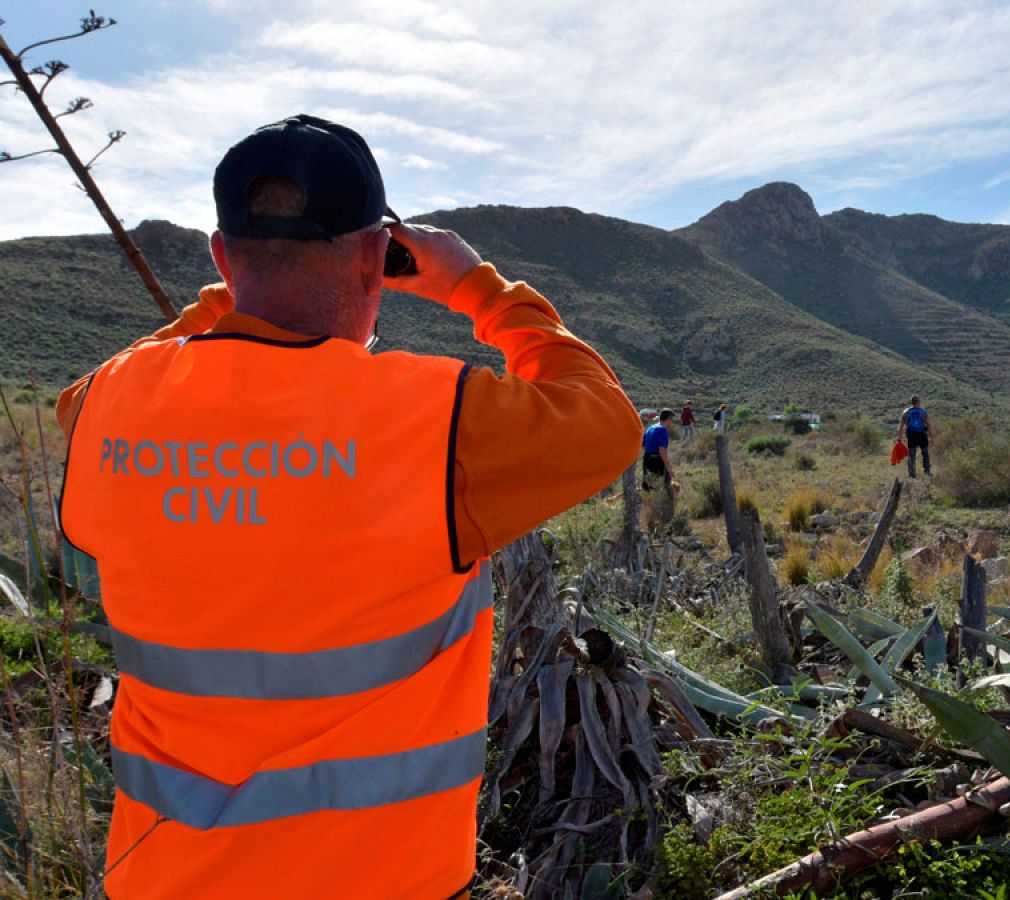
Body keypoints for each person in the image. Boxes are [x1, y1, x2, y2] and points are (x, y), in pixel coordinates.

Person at [54, 114, 640, 898]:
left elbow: (86, 395)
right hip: (382, 879)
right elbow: (605, 422)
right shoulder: (433, 421)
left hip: (163, 875)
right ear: (376, 258)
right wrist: (478, 288)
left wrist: (228, 301)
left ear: (224, 257)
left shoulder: (108, 407)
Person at [898, 395, 933, 478]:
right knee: (925, 454)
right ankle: (927, 472)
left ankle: (912, 475)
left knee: (911, 455)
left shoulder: (906, 412)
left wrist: (899, 438)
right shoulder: (923, 412)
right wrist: (931, 437)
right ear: (918, 402)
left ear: (912, 403)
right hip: (922, 436)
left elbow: (901, 426)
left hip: (911, 436)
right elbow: (929, 425)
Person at [642, 408, 677, 490]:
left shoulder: (650, 428)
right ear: (668, 419)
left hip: (647, 459)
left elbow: (643, 445)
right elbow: (662, 449)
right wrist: (669, 467)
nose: (672, 422)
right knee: (660, 486)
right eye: (671, 419)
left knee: (647, 486)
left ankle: (647, 502)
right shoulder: (662, 430)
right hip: (657, 460)